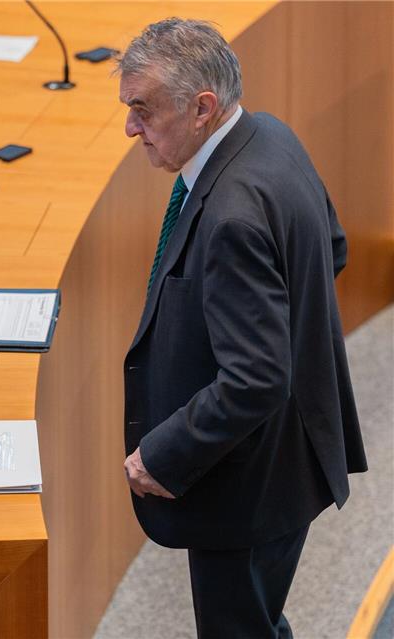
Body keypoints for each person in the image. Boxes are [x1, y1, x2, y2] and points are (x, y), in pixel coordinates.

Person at [116, 18, 367, 638]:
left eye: (143, 111)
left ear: (202, 108)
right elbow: (330, 250)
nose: (130, 129)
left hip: (248, 477)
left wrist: (163, 454)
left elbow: (255, 379)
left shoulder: (232, 214)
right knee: (255, 621)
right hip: (288, 449)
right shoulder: (270, 137)